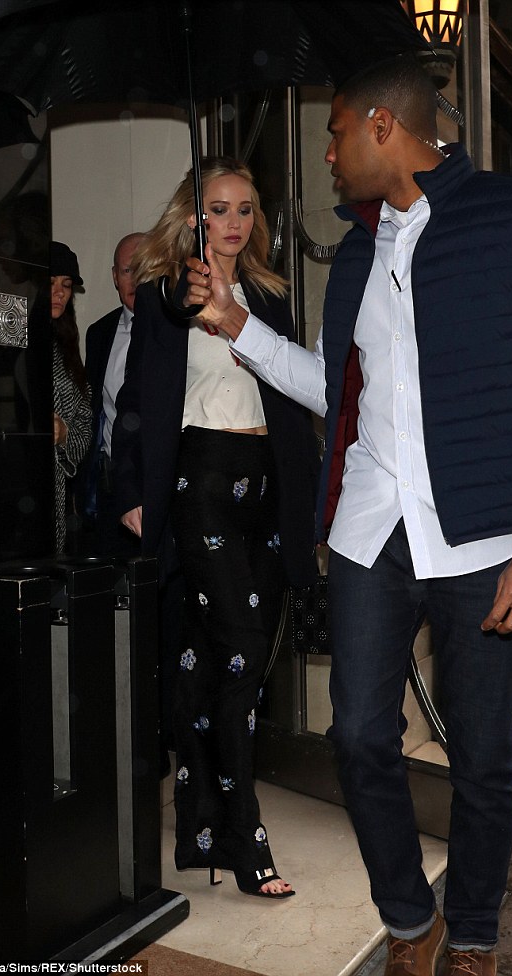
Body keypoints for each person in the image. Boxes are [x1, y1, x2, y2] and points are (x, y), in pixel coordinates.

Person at [184, 57, 512, 975]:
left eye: (331, 134)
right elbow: (336, 387)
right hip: (372, 530)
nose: (323, 156)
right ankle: (411, 923)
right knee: (359, 734)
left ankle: (473, 934)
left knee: (484, 761)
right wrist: (235, 321)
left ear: (378, 127)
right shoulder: (359, 250)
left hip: (488, 536)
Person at [112, 156, 318, 898]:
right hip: (201, 480)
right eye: (216, 210)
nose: (231, 224)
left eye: (243, 210)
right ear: (191, 217)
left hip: (264, 486)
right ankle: (245, 836)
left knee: (217, 660)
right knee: (238, 648)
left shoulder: (266, 293)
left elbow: (296, 387)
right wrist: (133, 488)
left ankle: (200, 826)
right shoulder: (172, 290)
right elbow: (135, 397)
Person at [77, 231, 145, 558]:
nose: (135, 279)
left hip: (160, 485)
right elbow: (91, 408)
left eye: (145, 268)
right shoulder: (100, 333)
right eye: (127, 270)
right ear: (115, 277)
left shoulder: (182, 331)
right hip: (109, 486)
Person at [50, 241, 92, 554]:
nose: (60, 292)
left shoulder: (67, 347)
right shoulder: (11, 339)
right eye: (50, 283)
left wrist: (64, 433)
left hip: (59, 490)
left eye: (66, 285)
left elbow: (85, 421)